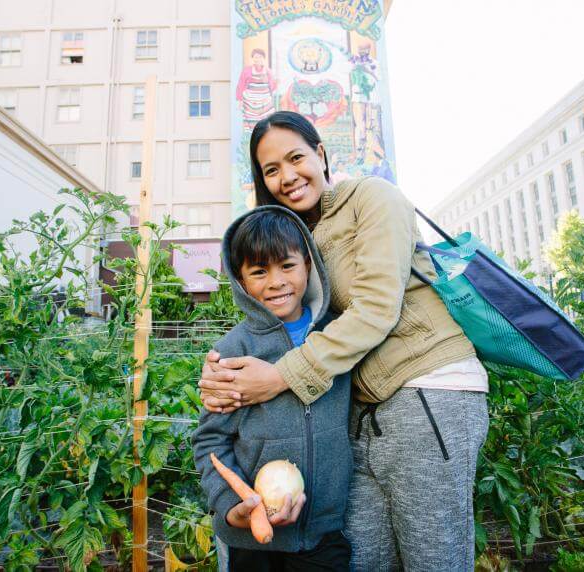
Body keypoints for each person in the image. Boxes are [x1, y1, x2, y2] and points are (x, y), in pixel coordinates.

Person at [199, 111, 489, 571]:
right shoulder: (300, 236)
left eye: (296, 158)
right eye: (271, 170)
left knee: (434, 558)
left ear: (321, 153)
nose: (287, 177)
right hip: (361, 417)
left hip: (428, 391)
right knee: (364, 561)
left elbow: (375, 309)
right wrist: (226, 377)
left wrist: (277, 376)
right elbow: (292, 327)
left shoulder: (373, 197)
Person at [192, 207, 353, 571]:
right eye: (259, 271)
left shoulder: (337, 336)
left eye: (287, 265)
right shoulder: (235, 350)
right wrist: (232, 506)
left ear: (308, 266)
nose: (276, 281)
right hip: (252, 537)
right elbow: (210, 441)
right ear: (241, 281)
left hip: (323, 533)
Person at [236, 48, 278, 130]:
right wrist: (240, 100)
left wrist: (276, 83)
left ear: (263, 59)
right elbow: (240, 85)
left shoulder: (268, 71)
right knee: (251, 123)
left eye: (260, 57)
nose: (257, 59)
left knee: (267, 122)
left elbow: (272, 87)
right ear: (252, 58)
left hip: (265, 101)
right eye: (255, 57)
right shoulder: (246, 70)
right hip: (250, 101)